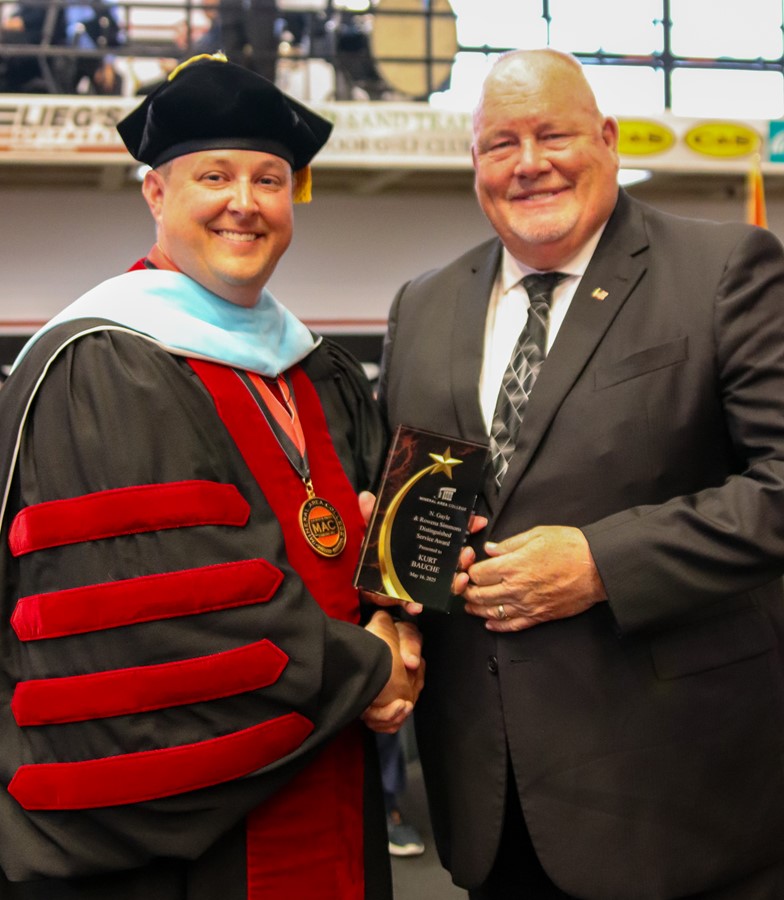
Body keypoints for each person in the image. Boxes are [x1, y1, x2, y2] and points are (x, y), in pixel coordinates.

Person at [0, 53, 423, 899]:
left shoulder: (319, 369)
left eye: (270, 180)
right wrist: (367, 670)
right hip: (189, 842)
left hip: (331, 774)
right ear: (156, 193)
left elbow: (363, 528)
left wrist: (400, 617)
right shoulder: (104, 364)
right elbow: (165, 607)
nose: (245, 203)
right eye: (215, 176)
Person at [378, 47, 784, 899]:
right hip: (488, 795)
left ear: (606, 137)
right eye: (501, 144)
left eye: (553, 134)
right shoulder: (423, 303)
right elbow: (412, 498)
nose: (529, 163)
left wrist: (604, 564)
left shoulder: (722, 270)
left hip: (675, 793)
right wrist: (390, 608)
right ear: (475, 161)